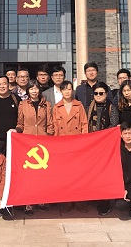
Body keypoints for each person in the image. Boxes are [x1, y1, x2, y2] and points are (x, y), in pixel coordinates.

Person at [16, 79, 53, 215]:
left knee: (42, 175)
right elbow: (20, 123)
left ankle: (41, 200)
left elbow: (50, 124)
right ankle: (29, 203)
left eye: (36, 88)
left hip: (43, 142)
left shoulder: (46, 105)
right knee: (29, 175)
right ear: (28, 90)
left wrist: (50, 138)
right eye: (31, 88)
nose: (34, 91)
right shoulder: (23, 104)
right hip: (28, 143)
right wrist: (16, 131)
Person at [53, 80, 88, 213]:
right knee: (65, 175)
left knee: (78, 174)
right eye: (64, 89)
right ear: (61, 91)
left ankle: (79, 201)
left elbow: (84, 124)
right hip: (63, 145)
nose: (67, 92)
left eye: (69, 89)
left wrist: (84, 142)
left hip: (77, 144)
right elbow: (55, 128)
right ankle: (67, 201)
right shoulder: (57, 107)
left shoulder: (79, 106)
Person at [86, 81, 119, 216]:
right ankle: (96, 197)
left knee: (105, 174)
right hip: (92, 147)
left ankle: (105, 203)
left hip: (106, 147)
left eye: (101, 93)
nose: (98, 95)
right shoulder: (89, 107)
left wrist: (101, 138)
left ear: (106, 94)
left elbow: (113, 126)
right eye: (96, 93)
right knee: (94, 173)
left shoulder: (112, 108)